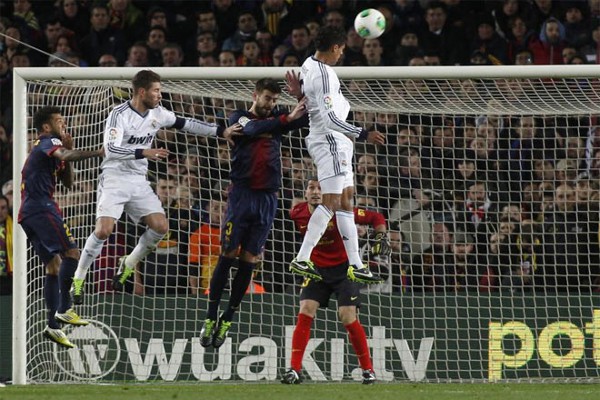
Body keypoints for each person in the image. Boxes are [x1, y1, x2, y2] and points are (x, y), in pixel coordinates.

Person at [69, 70, 241, 304]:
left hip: (138, 180)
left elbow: (187, 124)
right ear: (142, 92)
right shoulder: (118, 114)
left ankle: (128, 262)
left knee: (160, 227)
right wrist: (144, 151)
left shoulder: (158, 113)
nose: (160, 95)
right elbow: (111, 149)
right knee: (103, 231)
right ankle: (78, 279)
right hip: (114, 177)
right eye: (156, 90)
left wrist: (221, 131)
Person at [200, 77, 308, 349]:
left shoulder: (278, 118)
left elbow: (307, 118)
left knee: (250, 257)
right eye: (268, 99)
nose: (272, 104)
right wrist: (285, 120)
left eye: (275, 100)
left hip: (268, 199)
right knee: (228, 254)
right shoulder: (239, 117)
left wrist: (297, 97)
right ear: (256, 95)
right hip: (241, 196)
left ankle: (227, 317)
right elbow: (251, 129)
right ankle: (210, 316)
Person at [287, 25, 385, 285]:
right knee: (330, 202)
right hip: (330, 140)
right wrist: (363, 133)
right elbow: (330, 120)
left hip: (336, 142)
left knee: (346, 201)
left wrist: (300, 94)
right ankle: (302, 256)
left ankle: (356, 264)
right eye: (341, 49)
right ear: (334, 48)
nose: (342, 54)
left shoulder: (308, 63)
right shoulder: (325, 75)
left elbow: (312, 100)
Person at [281, 177, 390, 384]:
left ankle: (368, 370)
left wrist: (380, 236)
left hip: (344, 269)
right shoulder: (297, 213)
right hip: (316, 271)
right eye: (311, 187)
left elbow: (376, 217)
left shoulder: (340, 209)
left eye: (320, 188)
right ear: (305, 193)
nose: (315, 192)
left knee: (347, 316)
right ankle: (294, 370)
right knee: (305, 309)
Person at [18, 106, 104, 348]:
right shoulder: (47, 140)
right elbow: (65, 156)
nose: (63, 124)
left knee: (54, 267)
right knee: (72, 253)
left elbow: (68, 182)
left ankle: (53, 327)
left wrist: (68, 147)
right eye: (58, 121)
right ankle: (65, 309)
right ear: (46, 127)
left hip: (28, 213)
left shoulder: (52, 147)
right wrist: (97, 151)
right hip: (42, 207)